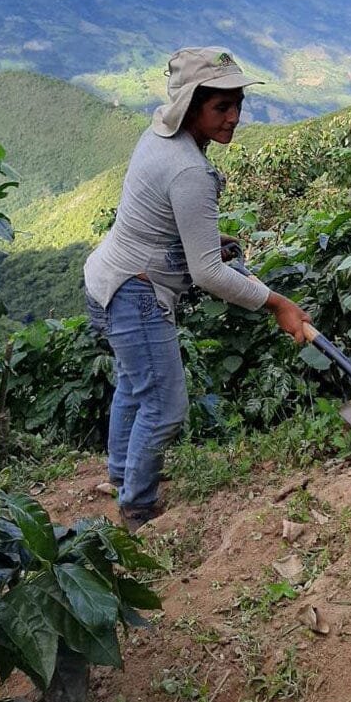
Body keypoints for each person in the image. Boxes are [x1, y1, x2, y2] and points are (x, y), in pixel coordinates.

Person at [84, 46, 310, 532]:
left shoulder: (159, 135)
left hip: (106, 277)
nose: (233, 118)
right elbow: (207, 274)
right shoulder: (188, 169)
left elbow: (161, 222)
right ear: (192, 106)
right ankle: (136, 511)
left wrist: (206, 239)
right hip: (133, 294)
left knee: (133, 385)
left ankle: (122, 477)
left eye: (237, 105)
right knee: (165, 408)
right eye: (220, 107)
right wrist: (278, 304)